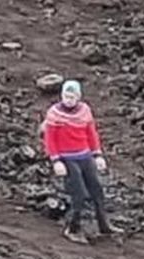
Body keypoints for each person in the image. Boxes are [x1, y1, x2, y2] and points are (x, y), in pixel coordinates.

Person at [41, 79, 115, 243]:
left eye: (72, 96)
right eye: (65, 96)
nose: (68, 99)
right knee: (79, 195)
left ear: (78, 97)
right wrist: (56, 160)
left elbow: (91, 133)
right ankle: (72, 227)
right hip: (68, 159)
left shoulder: (85, 111)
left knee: (97, 190)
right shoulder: (55, 114)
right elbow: (50, 139)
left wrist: (97, 155)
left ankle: (104, 225)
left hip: (85, 155)